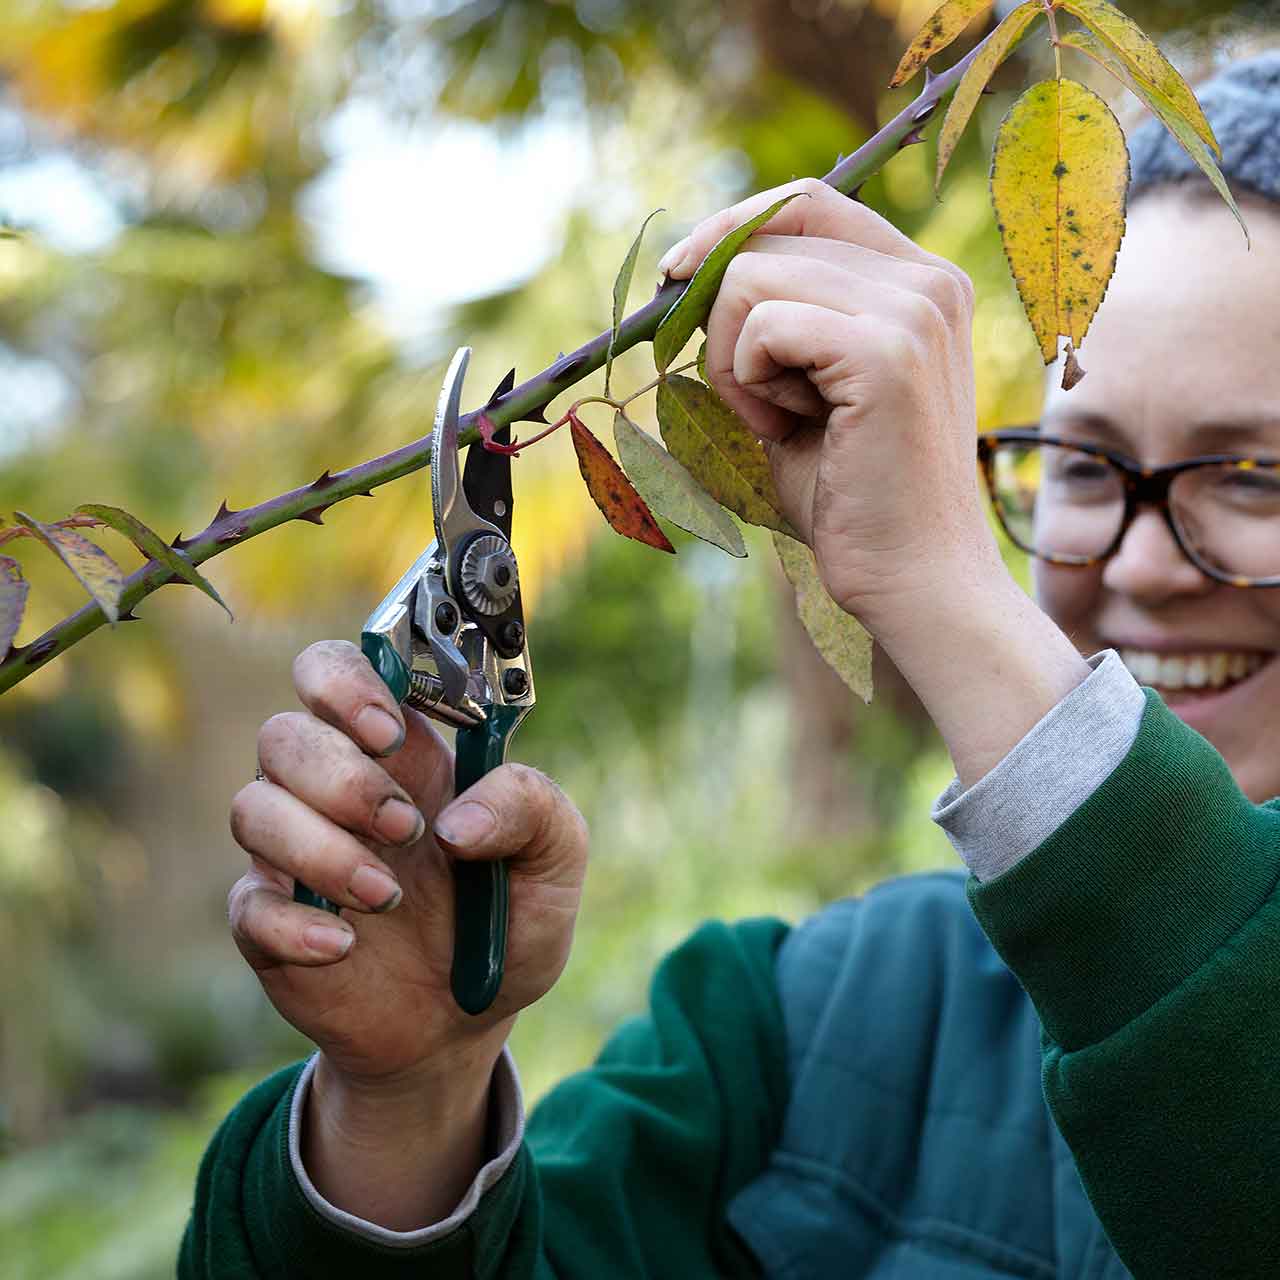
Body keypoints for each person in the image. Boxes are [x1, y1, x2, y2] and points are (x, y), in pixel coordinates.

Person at [180, 53, 1280, 1279]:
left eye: (1254, 477)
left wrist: (945, 593)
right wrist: (405, 1103)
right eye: (1080, 464)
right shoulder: (814, 1020)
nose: (1135, 562)